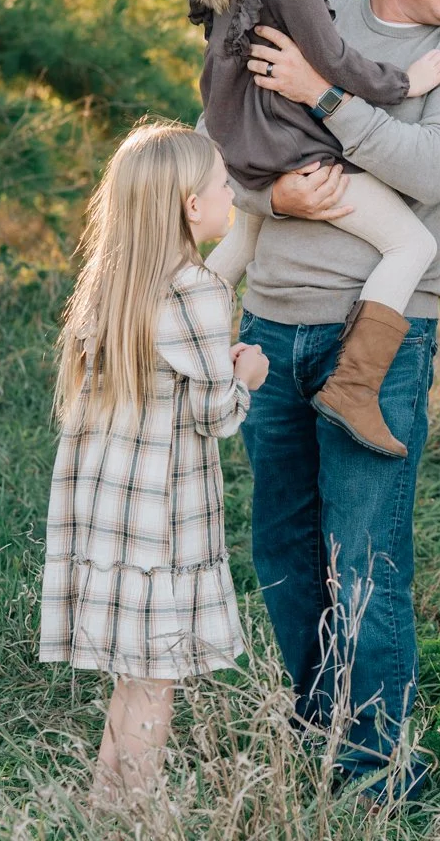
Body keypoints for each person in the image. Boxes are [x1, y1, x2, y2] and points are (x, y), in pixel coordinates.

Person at [226, 0, 440, 801]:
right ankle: (316, 736)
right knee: (284, 548)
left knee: (365, 559)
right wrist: (272, 193)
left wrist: (324, 100)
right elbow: (225, 135)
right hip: (270, 322)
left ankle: (377, 771)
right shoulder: (315, 8)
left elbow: (428, 169)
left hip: (379, 343)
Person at [190, 0, 440, 458]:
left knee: (244, 238)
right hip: (288, 144)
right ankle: (355, 387)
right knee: (411, 241)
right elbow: (333, 58)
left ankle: (171, 325)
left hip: (238, 141)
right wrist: (402, 82)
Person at [39, 121, 272, 804]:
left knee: (133, 673)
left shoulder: (112, 282)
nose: (232, 196)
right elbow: (212, 414)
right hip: (161, 523)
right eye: (224, 186)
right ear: (190, 207)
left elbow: (163, 381)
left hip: (107, 511)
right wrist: (247, 376)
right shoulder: (196, 289)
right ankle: (131, 819)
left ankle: (103, 803)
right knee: (154, 681)